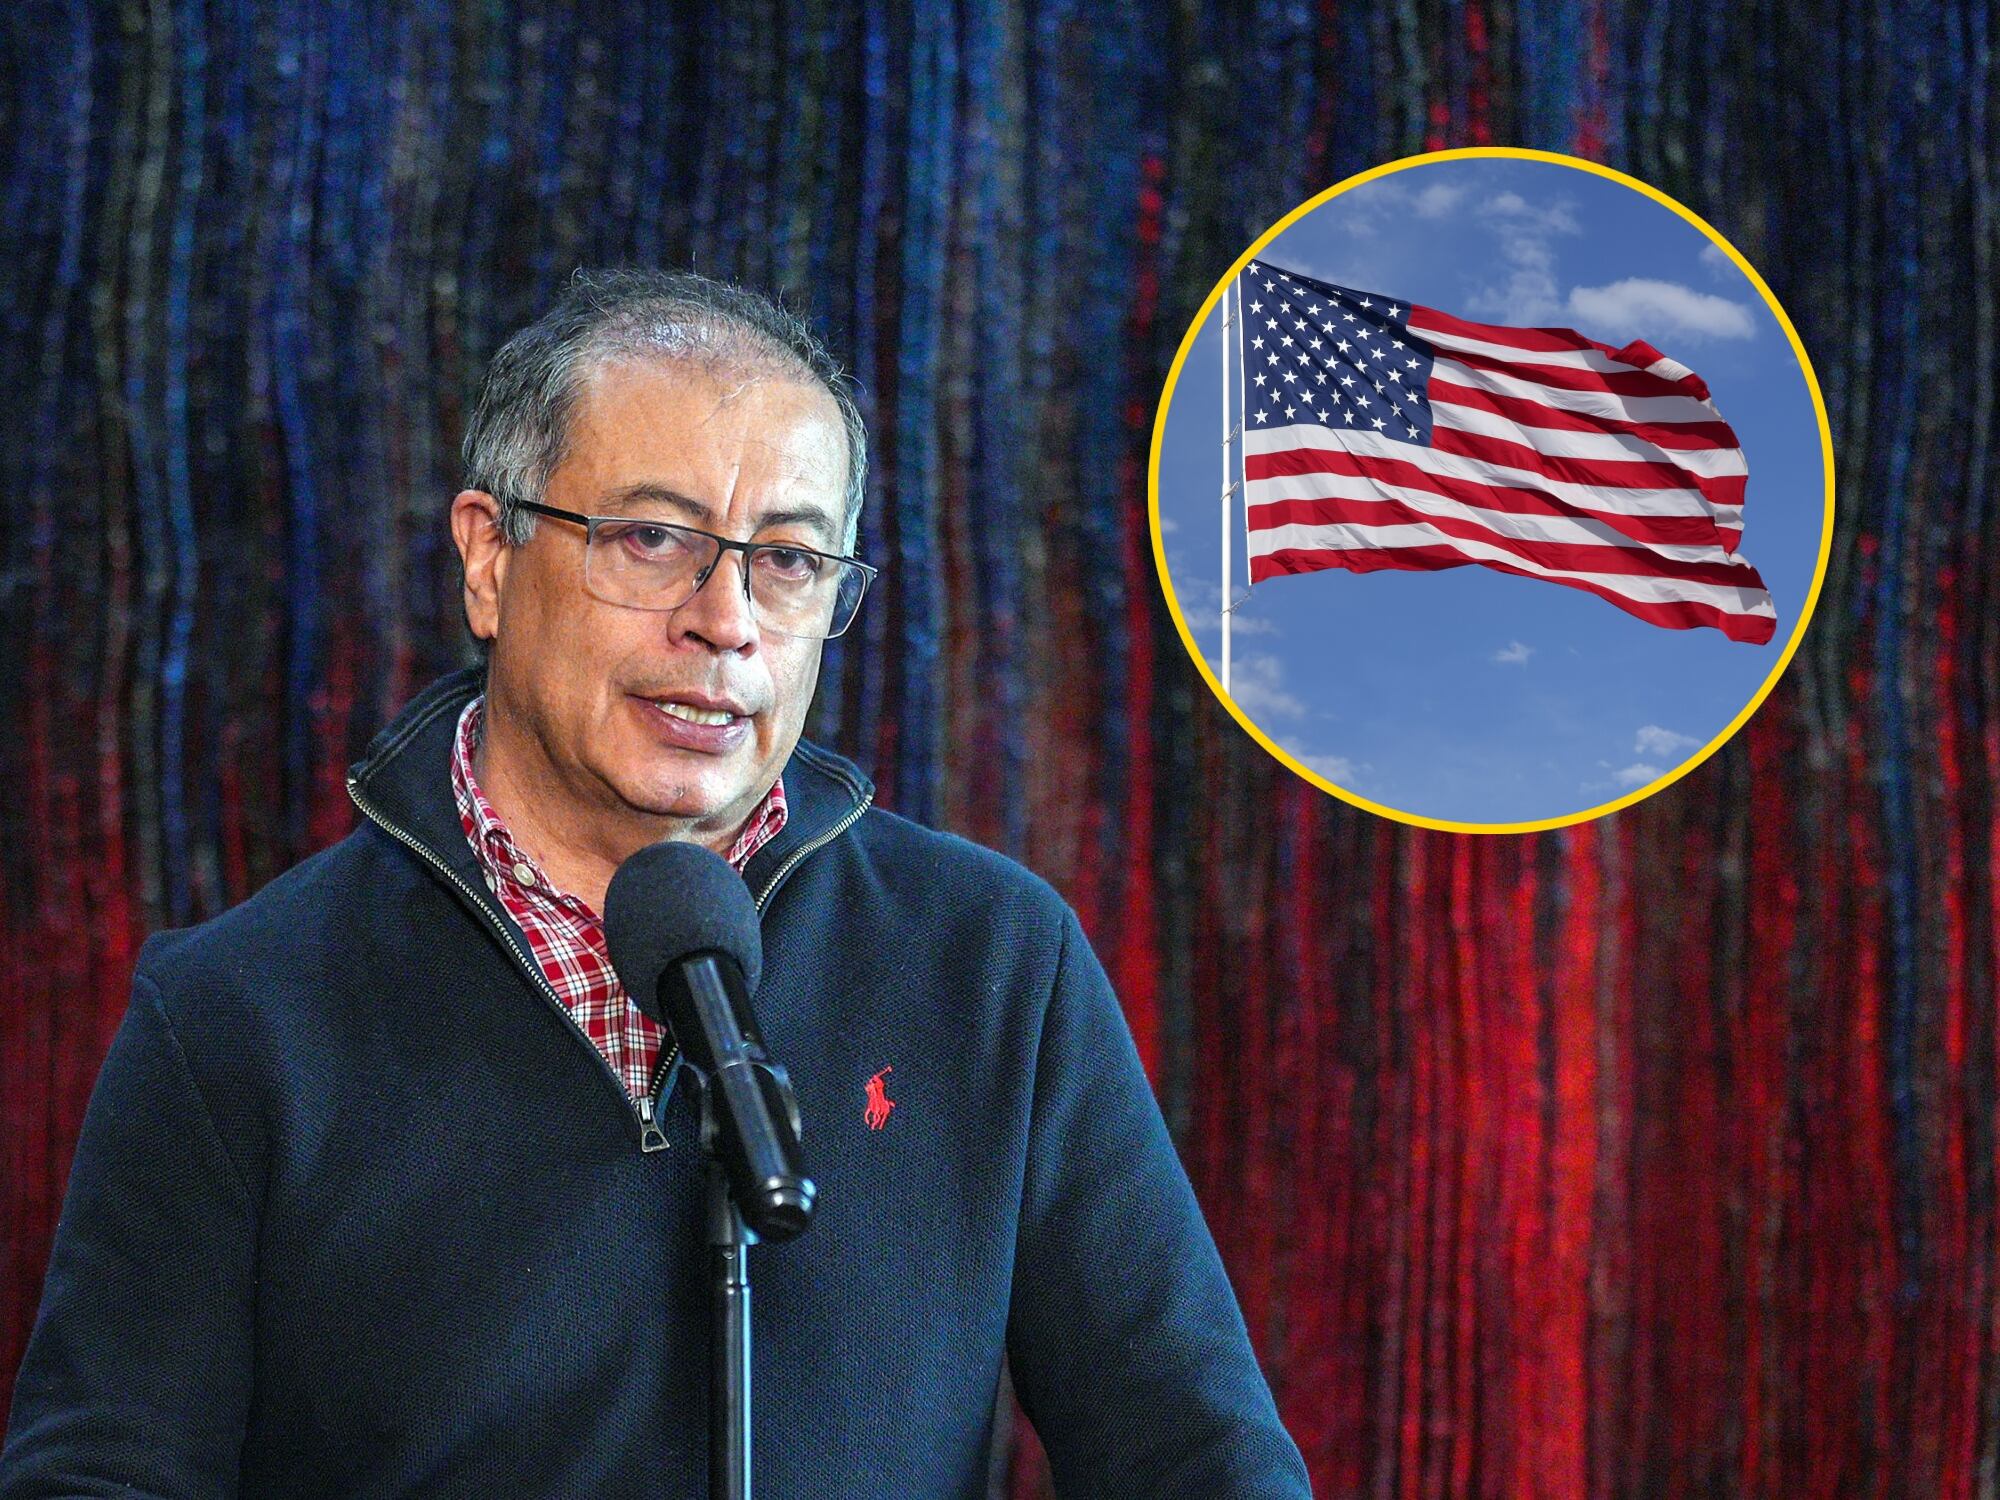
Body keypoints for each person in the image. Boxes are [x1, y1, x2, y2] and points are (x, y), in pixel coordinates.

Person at [1, 269, 1310, 1498]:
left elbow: (1199, 1459)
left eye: (789, 560)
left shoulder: (990, 961)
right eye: (651, 538)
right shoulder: (234, 1011)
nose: (726, 618)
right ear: (490, 558)